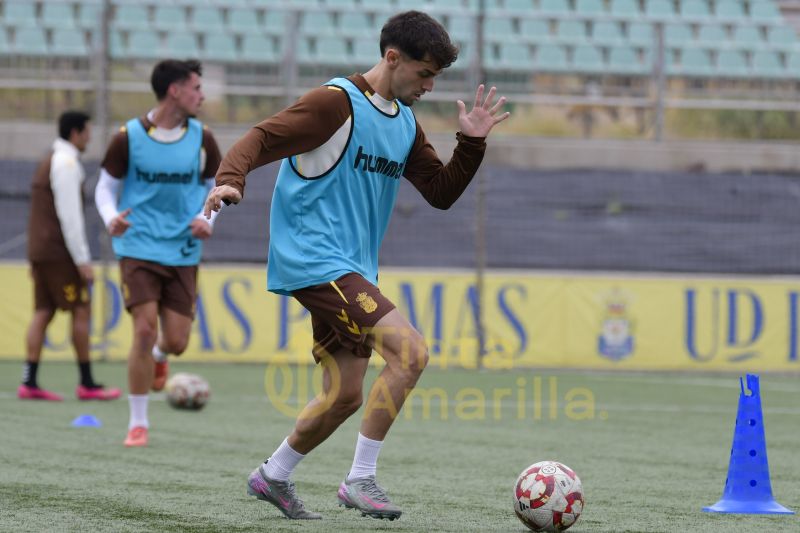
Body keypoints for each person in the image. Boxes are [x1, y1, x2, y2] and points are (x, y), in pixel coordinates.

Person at [205, 11, 509, 520]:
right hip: (314, 258)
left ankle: (273, 475)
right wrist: (231, 178)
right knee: (410, 354)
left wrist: (472, 143)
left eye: (436, 77)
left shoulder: (404, 123)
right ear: (393, 58)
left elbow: (439, 193)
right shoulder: (334, 103)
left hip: (352, 270)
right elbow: (259, 136)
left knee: (344, 395)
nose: (430, 86)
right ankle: (360, 480)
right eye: (425, 73)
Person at [95, 59, 222, 447]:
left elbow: (217, 186)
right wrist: (110, 216)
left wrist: (208, 220)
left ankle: (160, 354)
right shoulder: (128, 137)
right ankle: (138, 423)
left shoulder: (202, 138)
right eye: (196, 87)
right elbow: (103, 187)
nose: (202, 95)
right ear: (174, 90)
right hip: (137, 246)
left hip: (182, 249)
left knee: (177, 340)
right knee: (144, 326)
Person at [22, 110, 122, 402]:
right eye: (88, 131)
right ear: (76, 133)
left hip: (41, 250)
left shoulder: (47, 161)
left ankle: (29, 381)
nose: (90, 137)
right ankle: (87, 383)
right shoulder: (66, 164)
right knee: (81, 309)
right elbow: (70, 217)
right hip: (59, 252)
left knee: (43, 311)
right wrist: (82, 260)